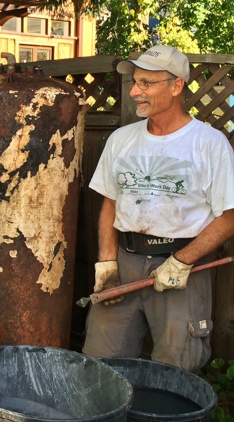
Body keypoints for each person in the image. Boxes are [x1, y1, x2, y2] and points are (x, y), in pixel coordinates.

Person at [82, 45, 234, 372]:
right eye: (135, 82)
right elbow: (110, 203)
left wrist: (181, 262)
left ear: (176, 86)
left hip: (183, 271)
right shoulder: (121, 139)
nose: (135, 91)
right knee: (98, 365)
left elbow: (229, 218)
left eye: (146, 83)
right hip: (124, 264)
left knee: (175, 372)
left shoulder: (209, 143)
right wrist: (107, 263)